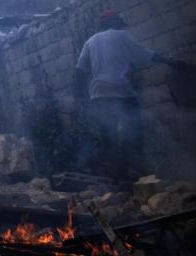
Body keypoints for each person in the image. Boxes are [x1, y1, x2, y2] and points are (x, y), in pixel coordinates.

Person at [75, 10, 188, 182]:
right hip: (121, 92)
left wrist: (80, 97)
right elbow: (147, 54)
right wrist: (172, 62)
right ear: (115, 23)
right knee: (134, 133)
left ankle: (115, 179)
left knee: (108, 138)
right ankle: (138, 173)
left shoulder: (90, 41)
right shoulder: (122, 36)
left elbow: (79, 70)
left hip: (98, 95)